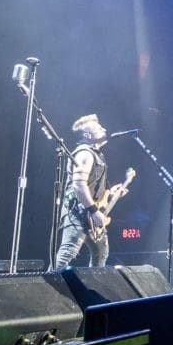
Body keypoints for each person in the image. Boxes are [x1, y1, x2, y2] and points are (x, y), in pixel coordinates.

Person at [54, 114, 129, 270]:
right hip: (78, 212)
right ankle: (49, 290)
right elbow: (79, 185)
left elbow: (92, 185)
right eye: (99, 128)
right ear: (88, 135)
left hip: (90, 212)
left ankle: (93, 285)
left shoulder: (97, 155)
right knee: (68, 253)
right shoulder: (85, 153)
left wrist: (111, 192)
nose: (104, 129)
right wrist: (94, 211)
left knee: (101, 252)